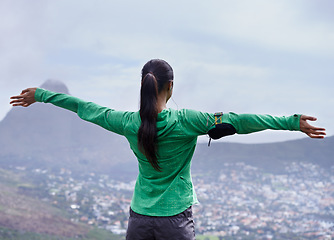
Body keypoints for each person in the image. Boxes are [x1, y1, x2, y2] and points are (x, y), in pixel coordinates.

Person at [10, 59, 326, 240]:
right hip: (175, 220)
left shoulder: (126, 122)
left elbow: (84, 107)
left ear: (143, 86)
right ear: (171, 86)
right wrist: (292, 121)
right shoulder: (189, 121)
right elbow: (238, 121)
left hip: (139, 220)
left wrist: (41, 94)